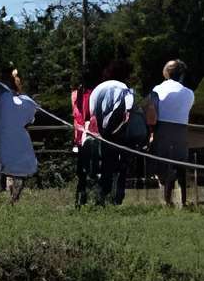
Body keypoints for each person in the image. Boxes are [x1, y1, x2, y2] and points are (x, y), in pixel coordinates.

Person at [150, 59, 197, 206]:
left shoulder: (156, 90)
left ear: (166, 73)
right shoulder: (189, 93)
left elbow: (152, 113)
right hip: (181, 132)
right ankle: (183, 200)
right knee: (181, 166)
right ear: (181, 75)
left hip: (162, 131)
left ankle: (166, 200)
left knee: (164, 166)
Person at [89, 70, 138, 205]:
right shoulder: (126, 90)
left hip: (105, 133)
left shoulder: (98, 90)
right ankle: (118, 196)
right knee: (123, 164)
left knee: (106, 163)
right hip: (123, 131)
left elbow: (92, 112)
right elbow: (131, 110)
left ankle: (103, 195)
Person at [0, 67, 39, 200]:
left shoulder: (2, 100)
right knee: (19, 167)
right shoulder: (26, 102)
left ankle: (12, 194)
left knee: (10, 166)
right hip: (18, 137)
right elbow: (30, 118)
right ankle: (14, 195)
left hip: (6, 137)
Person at [70, 73, 98, 207]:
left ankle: (87, 196)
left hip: (88, 133)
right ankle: (82, 197)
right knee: (82, 169)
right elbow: (77, 116)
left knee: (89, 167)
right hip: (81, 135)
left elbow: (86, 115)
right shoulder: (76, 95)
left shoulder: (88, 94)